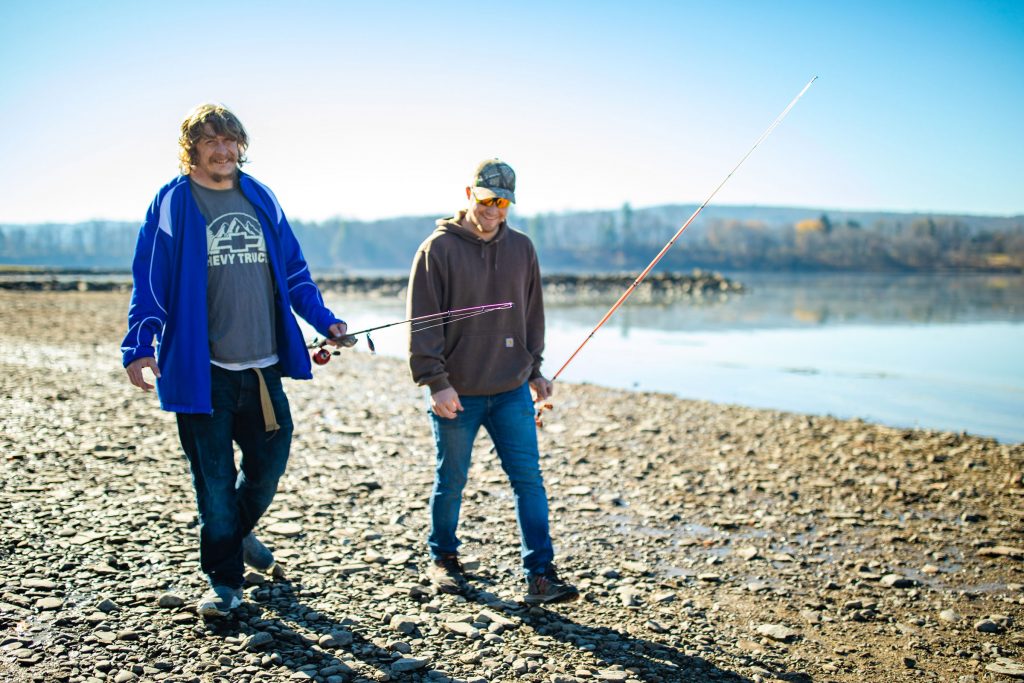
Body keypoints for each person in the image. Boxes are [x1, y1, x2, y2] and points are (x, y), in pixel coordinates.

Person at [121, 103, 347, 617]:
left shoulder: (261, 195)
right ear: (192, 150)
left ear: (240, 146)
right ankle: (224, 583)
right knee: (215, 485)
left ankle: (235, 534)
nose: (222, 150)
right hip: (204, 374)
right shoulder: (173, 201)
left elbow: (294, 273)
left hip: (263, 369)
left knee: (269, 464)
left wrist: (325, 320)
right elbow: (150, 278)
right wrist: (140, 346)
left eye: (229, 141)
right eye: (210, 142)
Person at [406, 159, 579, 605]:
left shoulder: (522, 248)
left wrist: (535, 369)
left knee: (529, 480)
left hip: (510, 390)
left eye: (502, 203)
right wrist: (435, 382)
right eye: (486, 200)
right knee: (451, 480)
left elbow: (532, 312)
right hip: (456, 393)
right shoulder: (437, 249)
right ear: (470, 194)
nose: (493, 210)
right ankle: (443, 560)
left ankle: (540, 576)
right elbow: (423, 322)